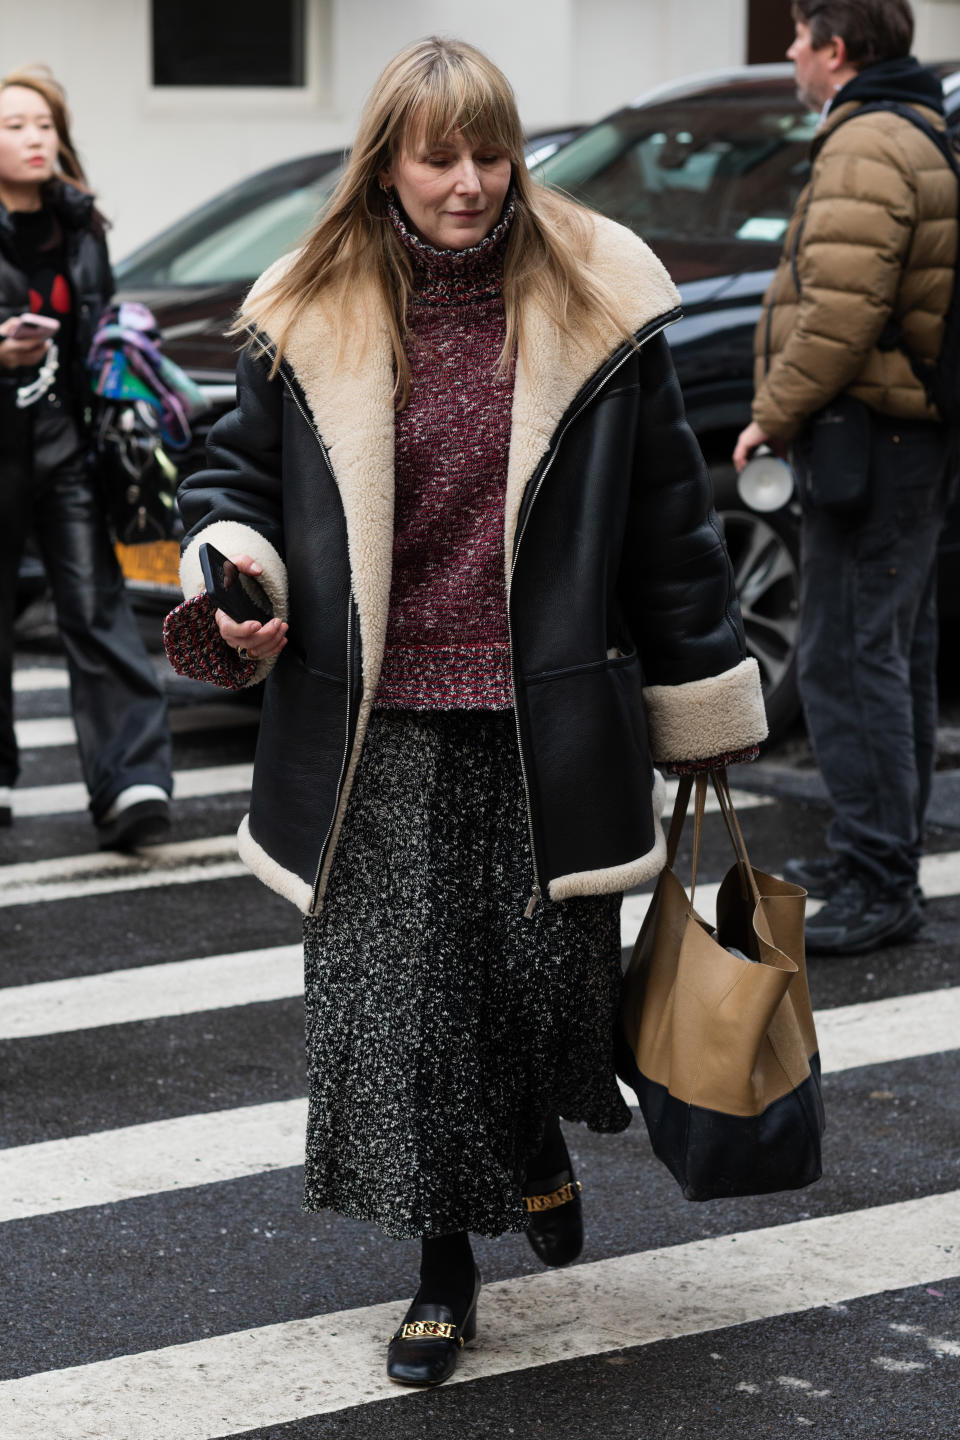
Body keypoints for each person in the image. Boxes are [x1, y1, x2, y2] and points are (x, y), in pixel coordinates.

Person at [164, 37, 767, 1388]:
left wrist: (704, 701)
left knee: (549, 996)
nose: (472, 182)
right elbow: (231, 479)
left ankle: (542, 1143)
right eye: (441, 156)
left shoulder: (599, 304)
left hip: (545, 719)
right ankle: (444, 1265)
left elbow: (672, 523)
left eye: (493, 153)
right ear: (387, 160)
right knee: (407, 1015)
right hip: (373, 722)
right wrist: (235, 574)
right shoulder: (304, 308)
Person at [733, 0, 957, 957]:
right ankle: (879, 849)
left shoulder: (869, 143)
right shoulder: (911, 127)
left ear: (835, 49)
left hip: (870, 436)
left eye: (797, 36)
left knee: (847, 658)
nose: (788, 52)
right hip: (904, 436)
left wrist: (770, 415)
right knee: (891, 655)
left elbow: (839, 311)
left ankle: (878, 879)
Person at [0, 66, 172, 845]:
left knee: (96, 604)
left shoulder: (80, 224)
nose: (35, 138)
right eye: (14, 126)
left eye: (44, 125)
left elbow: (91, 326)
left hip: (66, 441)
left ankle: (130, 781)